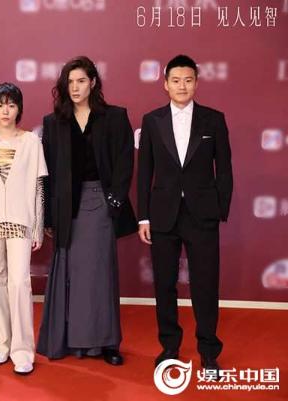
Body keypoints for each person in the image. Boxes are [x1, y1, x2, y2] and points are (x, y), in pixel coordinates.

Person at [37, 56, 137, 365]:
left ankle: (106, 343)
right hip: (67, 208)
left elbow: (124, 163)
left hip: (101, 204)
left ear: (93, 82)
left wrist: (114, 202)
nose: (75, 87)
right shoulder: (54, 122)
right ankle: (73, 341)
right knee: (74, 275)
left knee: (100, 274)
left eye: (81, 80)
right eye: (70, 82)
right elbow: (48, 174)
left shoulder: (115, 117)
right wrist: (50, 217)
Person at [137, 55, 233, 373]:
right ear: (165, 84)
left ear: (196, 83)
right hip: (163, 215)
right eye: (176, 80)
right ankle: (169, 346)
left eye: (188, 80)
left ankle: (209, 351)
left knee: (205, 284)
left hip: (202, 215)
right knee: (164, 284)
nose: (182, 86)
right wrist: (144, 217)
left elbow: (225, 169)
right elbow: (145, 171)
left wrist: (219, 209)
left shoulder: (213, 119)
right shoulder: (152, 120)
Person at [0, 83, 47, 375]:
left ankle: (23, 351)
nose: (5, 110)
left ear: (19, 109)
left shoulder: (31, 142)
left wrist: (38, 226)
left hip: (20, 220)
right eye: (0, 104)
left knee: (19, 283)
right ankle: (1, 345)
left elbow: (38, 187)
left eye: (11, 105)